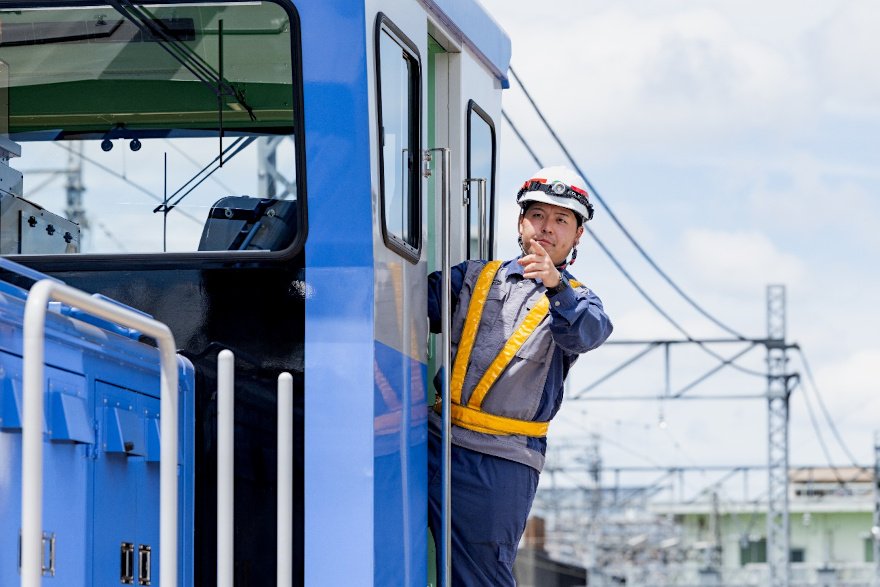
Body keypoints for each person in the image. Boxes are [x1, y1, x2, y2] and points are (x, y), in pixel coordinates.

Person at [427, 165, 613, 586]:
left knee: (480, 578)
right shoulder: (472, 276)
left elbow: (588, 333)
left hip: (501, 463)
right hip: (433, 439)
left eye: (561, 220)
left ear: (577, 235)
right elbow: (406, 299)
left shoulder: (579, 300)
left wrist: (557, 287)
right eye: (537, 215)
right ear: (520, 222)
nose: (546, 227)